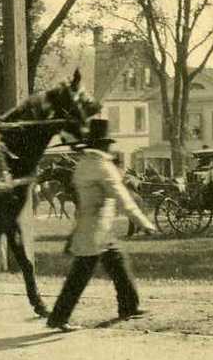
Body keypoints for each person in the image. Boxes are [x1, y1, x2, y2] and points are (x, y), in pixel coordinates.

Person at [46, 117, 156, 332]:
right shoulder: (102, 167)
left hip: (94, 227)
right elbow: (122, 197)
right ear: (104, 145)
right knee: (80, 276)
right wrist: (143, 223)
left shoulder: (84, 164)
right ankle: (58, 318)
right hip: (95, 230)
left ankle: (129, 306)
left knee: (118, 263)